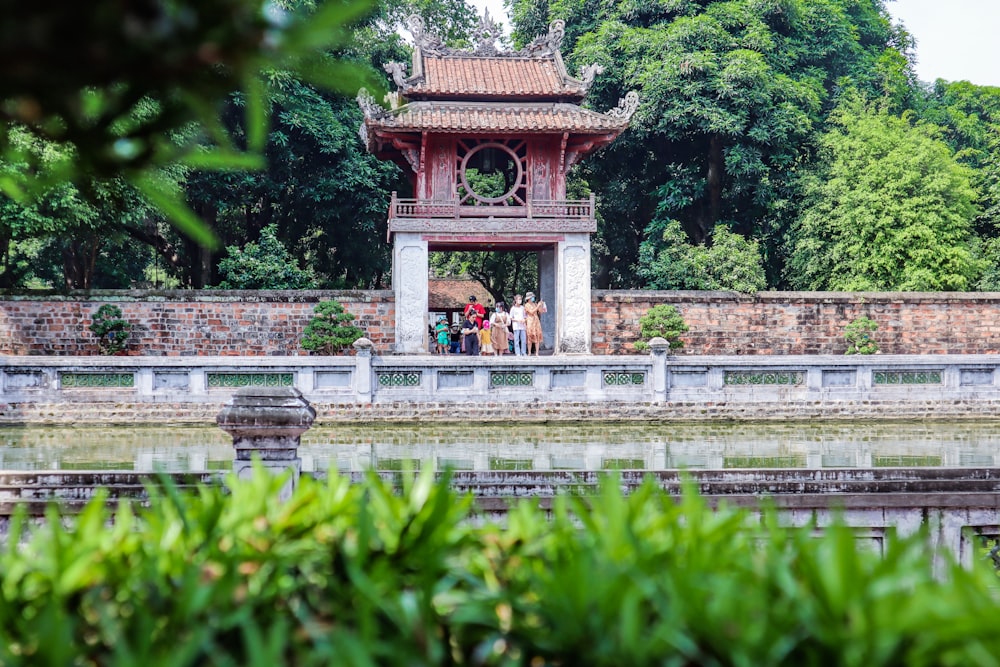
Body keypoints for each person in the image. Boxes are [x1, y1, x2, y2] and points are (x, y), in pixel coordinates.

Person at [524, 291, 546, 356]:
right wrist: (537, 307)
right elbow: (531, 312)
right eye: (532, 297)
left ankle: (537, 352)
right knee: (530, 336)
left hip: (536, 321)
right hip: (530, 321)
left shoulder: (535, 304)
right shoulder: (526, 305)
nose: (533, 298)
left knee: (537, 336)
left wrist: (541, 305)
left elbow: (540, 311)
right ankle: (529, 352)